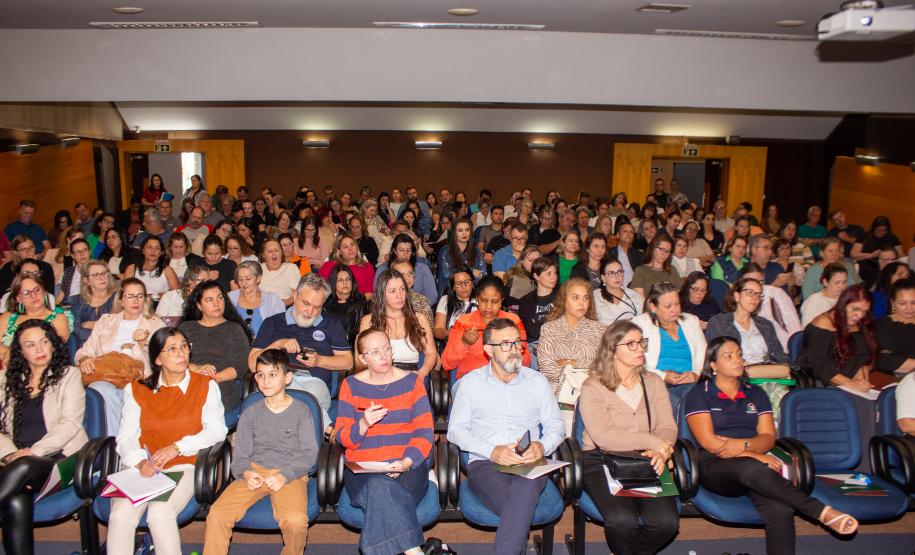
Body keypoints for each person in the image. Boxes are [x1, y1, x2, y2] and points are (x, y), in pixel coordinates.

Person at [447, 318, 565, 555]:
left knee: (524, 490)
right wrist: (492, 450)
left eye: (517, 343)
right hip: (486, 462)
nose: (514, 350)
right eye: (505, 344)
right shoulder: (469, 384)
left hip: (530, 461)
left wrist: (542, 446)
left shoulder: (537, 381)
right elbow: (455, 431)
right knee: (520, 507)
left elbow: (556, 425)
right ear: (488, 350)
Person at [107, 327, 228, 555]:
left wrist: (177, 447)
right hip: (143, 467)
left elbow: (217, 430)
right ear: (158, 359)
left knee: (159, 513)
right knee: (120, 515)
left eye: (184, 346)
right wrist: (139, 461)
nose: (181, 353)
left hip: (184, 464)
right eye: (172, 349)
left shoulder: (204, 385)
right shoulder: (137, 389)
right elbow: (126, 437)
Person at [203, 348, 317, 555]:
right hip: (254, 472)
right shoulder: (251, 413)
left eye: (273, 375)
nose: (265, 381)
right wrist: (246, 472)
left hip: (289, 474)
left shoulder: (302, 411)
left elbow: (309, 454)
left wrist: (284, 475)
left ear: (287, 377)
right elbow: (240, 456)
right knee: (217, 513)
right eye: (261, 375)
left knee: (295, 521)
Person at [578, 320, 678, 555]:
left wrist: (659, 450)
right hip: (601, 460)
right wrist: (653, 442)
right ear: (612, 349)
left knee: (666, 524)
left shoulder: (653, 383)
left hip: (647, 459)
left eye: (641, 343)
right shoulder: (594, 386)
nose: (640, 349)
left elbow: (667, 427)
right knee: (623, 521)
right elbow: (604, 437)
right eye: (631, 344)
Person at [335, 329, 438, 555]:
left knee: (382, 494)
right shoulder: (350, 385)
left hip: (407, 468)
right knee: (377, 485)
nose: (383, 356)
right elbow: (342, 436)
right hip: (363, 471)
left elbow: (424, 432)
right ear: (362, 358)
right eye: (374, 352)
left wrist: (406, 462)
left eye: (386, 349)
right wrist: (362, 423)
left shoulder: (413, 382)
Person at [0, 320, 88, 555]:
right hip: (14, 462)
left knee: (25, 465)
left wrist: (32, 452)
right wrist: (10, 454)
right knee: (17, 497)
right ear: (21, 351)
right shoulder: (7, 380)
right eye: (30, 345)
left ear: (52, 344)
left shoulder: (69, 375)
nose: (39, 349)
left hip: (59, 461)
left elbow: (70, 424)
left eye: (44, 341)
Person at [799, 285, 884, 468]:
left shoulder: (861, 324)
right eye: (855, 309)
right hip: (822, 383)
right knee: (863, 404)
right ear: (843, 304)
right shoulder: (823, 323)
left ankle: (879, 462)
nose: (859, 315)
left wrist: (862, 376)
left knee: (884, 399)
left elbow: (866, 358)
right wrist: (851, 384)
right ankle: (864, 468)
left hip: (848, 382)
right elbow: (819, 365)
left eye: (864, 311)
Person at [250, 273, 351, 408]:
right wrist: (278, 345)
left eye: (317, 307)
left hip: (312, 386)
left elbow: (348, 362)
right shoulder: (273, 323)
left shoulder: (331, 324)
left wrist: (319, 361)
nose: (309, 311)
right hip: (275, 382)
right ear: (295, 296)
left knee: (301, 404)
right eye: (306, 303)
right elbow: (252, 364)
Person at [538, 277, 606, 425]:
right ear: (564, 300)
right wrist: (581, 367)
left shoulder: (599, 329)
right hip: (556, 391)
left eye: (585, 298)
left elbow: (602, 366)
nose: (582, 303)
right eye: (575, 298)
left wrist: (568, 362)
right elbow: (546, 367)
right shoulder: (549, 329)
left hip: (590, 389)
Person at [631, 282, 706, 410]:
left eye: (677, 304)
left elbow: (704, 356)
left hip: (691, 384)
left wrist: (695, 374)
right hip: (658, 385)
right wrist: (663, 376)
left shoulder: (691, 321)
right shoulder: (641, 325)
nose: (675, 310)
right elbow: (637, 361)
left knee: (697, 399)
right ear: (653, 307)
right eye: (668, 306)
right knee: (682, 404)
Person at [180, 280, 250, 411]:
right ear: (199, 306)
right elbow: (175, 358)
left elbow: (243, 364)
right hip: (189, 379)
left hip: (222, 384)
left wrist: (215, 378)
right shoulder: (186, 328)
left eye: (219, 298)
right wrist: (197, 369)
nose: (216, 303)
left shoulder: (234, 329)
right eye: (209, 300)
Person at [442, 276, 530, 380]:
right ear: (477, 299)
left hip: (506, 379)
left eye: (494, 301)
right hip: (472, 381)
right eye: (484, 300)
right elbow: (446, 363)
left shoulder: (513, 322)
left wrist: (513, 346)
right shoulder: (464, 322)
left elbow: (526, 362)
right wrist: (464, 343)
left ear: (502, 300)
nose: (488, 306)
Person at [358, 269, 437, 378]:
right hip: (381, 377)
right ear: (382, 295)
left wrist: (422, 373)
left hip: (412, 376)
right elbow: (362, 359)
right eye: (392, 291)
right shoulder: (369, 321)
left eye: (402, 289)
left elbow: (431, 354)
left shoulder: (419, 319)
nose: (400, 295)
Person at [705, 278, 790, 375]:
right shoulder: (719, 323)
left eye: (758, 295)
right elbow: (715, 358)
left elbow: (779, 354)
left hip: (768, 373)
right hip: (738, 375)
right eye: (750, 293)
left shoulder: (765, 324)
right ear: (737, 296)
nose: (755, 298)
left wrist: (784, 366)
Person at [0, 275, 73, 366]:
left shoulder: (58, 318)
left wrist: (12, 353)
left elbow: (54, 348)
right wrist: (8, 351)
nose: (33, 295)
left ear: (44, 291)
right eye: (26, 293)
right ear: (18, 299)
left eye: (37, 290)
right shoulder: (7, 317)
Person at [739, 264, 801, 353]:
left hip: (783, 351)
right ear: (741, 282)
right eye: (749, 282)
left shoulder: (776, 294)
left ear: (764, 278)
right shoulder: (738, 300)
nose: (754, 286)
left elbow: (795, 327)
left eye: (759, 281)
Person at [67, 260, 118, 350]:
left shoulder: (119, 298)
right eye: (96, 275)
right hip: (84, 348)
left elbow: (118, 328)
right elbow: (76, 331)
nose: (102, 277)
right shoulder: (76, 301)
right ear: (86, 280)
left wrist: (92, 325)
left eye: (104, 273)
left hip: (113, 347)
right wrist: (102, 327)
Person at [228, 260, 286, 338]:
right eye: (240, 279)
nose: (244, 283)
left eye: (248, 279)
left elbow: (281, 329)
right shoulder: (230, 298)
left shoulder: (273, 300)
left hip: (265, 346)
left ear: (258, 278)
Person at [375, 233, 437, 304]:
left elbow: (433, 297)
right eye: (401, 250)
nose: (405, 254)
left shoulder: (422, 268)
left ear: (412, 252)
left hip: (418, 310)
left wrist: (411, 308)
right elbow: (378, 296)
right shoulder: (383, 269)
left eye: (408, 250)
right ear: (395, 251)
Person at [517, 258, 558, 363]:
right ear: (536, 276)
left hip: (560, 342)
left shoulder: (562, 296)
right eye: (549, 273)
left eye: (555, 273)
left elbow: (566, 325)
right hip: (536, 344)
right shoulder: (526, 301)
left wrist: (538, 323)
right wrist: (553, 321)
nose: (554, 277)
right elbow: (532, 332)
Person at [317, 233, 376, 301]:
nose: (350, 249)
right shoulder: (329, 266)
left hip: (358, 306)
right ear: (339, 251)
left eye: (352, 244)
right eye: (345, 247)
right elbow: (319, 288)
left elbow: (370, 293)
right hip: (333, 306)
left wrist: (351, 304)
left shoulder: (366, 267)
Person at [876, 278, 915, 378]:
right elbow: (884, 360)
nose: (909, 308)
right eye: (902, 303)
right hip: (901, 379)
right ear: (892, 302)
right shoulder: (884, 325)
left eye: (913, 302)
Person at [851, 216, 904, 289]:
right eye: (879, 230)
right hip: (870, 263)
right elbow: (853, 254)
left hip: (889, 263)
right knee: (870, 270)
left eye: (884, 230)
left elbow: (902, 256)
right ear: (874, 228)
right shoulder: (865, 237)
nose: (881, 232)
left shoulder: (892, 238)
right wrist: (870, 255)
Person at [324, 263, 369, 346]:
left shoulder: (360, 300)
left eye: (348, 279)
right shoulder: (326, 302)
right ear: (334, 282)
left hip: (351, 345)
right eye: (340, 280)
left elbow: (361, 328)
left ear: (352, 281)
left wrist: (345, 337)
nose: (345, 283)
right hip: (328, 344)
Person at [125, 235, 180, 299]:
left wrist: (163, 296)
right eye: (149, 247)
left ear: (161, 252)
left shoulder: (167, 270)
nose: (153, 251)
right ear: (143, 250)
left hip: (160, 306)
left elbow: (176, 294)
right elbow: (125, 292)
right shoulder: (131, 268)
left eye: (157, 248)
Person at [593, 258, 644, 325]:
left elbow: (642, 322)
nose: (617, 276)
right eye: (612, 273)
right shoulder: (595, 297)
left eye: (620, 272)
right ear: (603, 278)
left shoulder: (634, 296)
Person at [433, 267, 476, 341]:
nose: (464, 287)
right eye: (458, 284)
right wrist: (454, 333)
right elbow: (437, 330)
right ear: (453, 287)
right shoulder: (445, 300)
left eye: (467, 282)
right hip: (453, 345)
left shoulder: (481, 300)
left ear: (473, 283)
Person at [800, 262, 848, 328]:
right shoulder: (814, 301)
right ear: (825, 282)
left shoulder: (844, 299)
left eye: (844, 282)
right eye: (837, 283)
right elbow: (808, 331)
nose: (842, 286)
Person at [259, 239, 302, 307]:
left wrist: (281, 304)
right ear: (263, 255)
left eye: (276, 250)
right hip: (261, 305)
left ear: (281, 252)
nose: (274, 254)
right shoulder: (259, 268)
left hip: (284, 306)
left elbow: (297, 294)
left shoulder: (290, 268)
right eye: (270, 251)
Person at [56, 238, 92, 303]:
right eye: (78, 252)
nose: (82, 254)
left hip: (90, 302)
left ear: (89, 251)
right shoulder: (68, 272)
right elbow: (62, 294)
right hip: (69, 304)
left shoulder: (99, 269)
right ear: (72, 256)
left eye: (85, 250)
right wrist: (55, 309)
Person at [610, 221, 643, 288]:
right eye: (625, 231)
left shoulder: (639, 255)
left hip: (635, 291)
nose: (629, 234)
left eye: (631, 232)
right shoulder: (609, 253)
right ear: (618, 235)